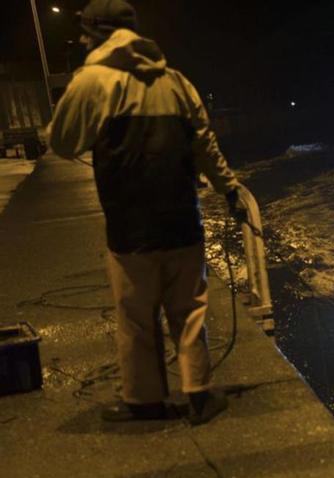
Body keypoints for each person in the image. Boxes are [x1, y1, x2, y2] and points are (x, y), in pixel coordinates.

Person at [49, 0, 244, 425]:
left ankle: (144, 401)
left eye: (84, 32)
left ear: (96, 34)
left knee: (136, 318)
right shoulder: (176, 81)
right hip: (182, 220)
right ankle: (199, 396)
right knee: (190, 311)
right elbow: (205, 144)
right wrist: (230, 191)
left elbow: (63, 143)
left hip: (129, 227)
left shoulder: (93, 81)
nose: (82, 38)